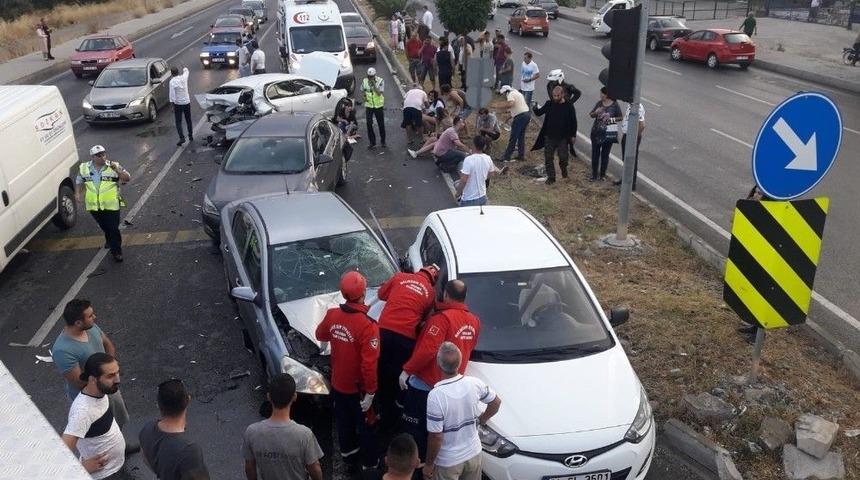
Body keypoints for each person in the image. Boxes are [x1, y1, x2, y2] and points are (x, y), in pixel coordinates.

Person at [399, 280, 481, 463]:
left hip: (426, 386)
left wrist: (407, 370)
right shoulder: (474, 321)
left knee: (416, 429)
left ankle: (417, 464)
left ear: (445, 294)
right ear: (465, 297)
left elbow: (427, 350)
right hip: (452, 385)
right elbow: (470, 347)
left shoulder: (441, 320)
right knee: (440, 431)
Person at [315, 272, 380, 473]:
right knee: (366, 426)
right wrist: (371, 392)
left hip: (338, 383)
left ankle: (349, 459)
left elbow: (320, 333)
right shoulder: (368, 326)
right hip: (358, 388)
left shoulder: (333, 314)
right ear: (363, 293)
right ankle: (369, 465)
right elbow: (368, 365)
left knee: (344, 423)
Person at [375, 265, 440, 433]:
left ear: (419, 270)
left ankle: (379, 406)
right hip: (407, 338)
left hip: (384, 331)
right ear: (433, 280)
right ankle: (394, 411)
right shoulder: (430, 293)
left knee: (380, 370)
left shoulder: (399, 277)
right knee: (398, 377)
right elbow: (425, 316)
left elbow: (381, 294)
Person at [423, 343, 501, 480]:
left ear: (438, 363)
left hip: (448, 461)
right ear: (460, 362)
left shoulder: (436, 396)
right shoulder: (475, 383)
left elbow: (436, 437)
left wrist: (428, 465)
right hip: (474, 453)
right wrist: (482, 419)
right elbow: (496, 402)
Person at [52, 299, 131, 429]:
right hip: (91, 399)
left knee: (117, 421)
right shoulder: (62, 350)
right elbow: (79, 382)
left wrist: (110, 371)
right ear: (78, 323)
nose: (94, 317)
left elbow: (107, 344)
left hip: (108, 387)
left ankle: (121, 446)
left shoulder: (91, 327)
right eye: (90, 316)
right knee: (103, 431)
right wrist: (107, 379)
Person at [242, 374, 324, 480]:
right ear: (294, 397)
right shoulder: (304, 434)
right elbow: (315, 468)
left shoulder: (251, 432)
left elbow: (249, 467)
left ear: (268, 397)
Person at [62, 353, 126, 480]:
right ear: (93, 379)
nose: (118, 379)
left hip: (116, 464)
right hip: (106, 475)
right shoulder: (82, 412)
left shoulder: (101, 391)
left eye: (117, 373)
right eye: (111, 376)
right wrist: (81, 467)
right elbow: (61, 449)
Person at [139, 379, 210, 480]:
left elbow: (144, 457)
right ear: (188, 400)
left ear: (158, 405)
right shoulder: (189, 450)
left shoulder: (146, 429)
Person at [76, 145, 131, 262]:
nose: (102, 157)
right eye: (99, 155)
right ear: (92, 157)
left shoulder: (113, 165)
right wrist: (77, 193)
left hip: (111, 204)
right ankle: (109, 239)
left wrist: (116, 170)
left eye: (103, 154)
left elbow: (127, 178)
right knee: (104, 226)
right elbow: (79, 180)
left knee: (113, 228)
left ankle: (117, 252)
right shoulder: (84, 167)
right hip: (94, 205)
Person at [532, 86, 577, 185]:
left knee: (563, 157)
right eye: (554, 96)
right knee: (548, 157)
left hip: (563, 138)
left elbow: (573, 121)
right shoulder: (550, 104)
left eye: (558, 96)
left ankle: (564, 171)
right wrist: (534, 107)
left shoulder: (569, 106)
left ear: (562, 95)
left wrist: (573, 135)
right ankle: (551, 177)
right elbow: (539, 112)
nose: (556, 98)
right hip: (549, 136)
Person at [456, 135, 503, 206]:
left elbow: (464, 180)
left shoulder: (469, 159)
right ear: (484, 147)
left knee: (456, 183)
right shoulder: (488, 158)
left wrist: (457, 193)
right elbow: (491, 174)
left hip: (469, 199)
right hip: (482, 197)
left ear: (473, 145)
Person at [588, 87, 622, 181]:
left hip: (608, 133)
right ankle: (594, 174)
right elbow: (591, 114)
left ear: (606, 95)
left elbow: (620, 117)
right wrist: (596, 112)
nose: (600, 95)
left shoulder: (615, 105)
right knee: (595, 154)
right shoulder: (599, 103)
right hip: (596, 132)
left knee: (605, 154)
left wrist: (611, 119)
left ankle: (602, 174)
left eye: (601, 94)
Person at [613, 102, 646, 191]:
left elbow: (642, 125)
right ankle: (624, 179)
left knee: (631, 161)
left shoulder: (637, 107)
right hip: (626, 135)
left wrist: (634, 137)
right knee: (625, 159)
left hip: (632, 137)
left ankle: (630, 185)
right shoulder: (630, 105)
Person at [498, 85, 530, 163]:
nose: (504, 96)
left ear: (506, 91)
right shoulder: (518, 93)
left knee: (513, 137)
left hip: (520, 117)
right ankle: (521, 155)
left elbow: (511, 104)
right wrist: (506, 120)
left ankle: (506, 157)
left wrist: (501, 107)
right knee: (521, 137)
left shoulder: (511, 94)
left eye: (504, 93)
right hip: (527, 115)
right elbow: (515, 111)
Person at [361, 68, 386, 149]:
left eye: (371, 76)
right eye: (368, 76)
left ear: (375, 75)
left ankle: (383, 141)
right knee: (369, 123)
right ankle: (372, 142)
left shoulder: (380, 81)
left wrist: (374, 84)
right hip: (369, 105)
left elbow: (379, 93)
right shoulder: (364, 81)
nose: (369, 78)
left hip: (378, 106)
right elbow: (363, 90)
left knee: (381, 124)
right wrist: (364, 97)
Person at [169, 66, 193, 147]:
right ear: (178, 72)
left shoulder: (172, 82)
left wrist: (172, 105)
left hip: (178, 104)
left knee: (178, 122)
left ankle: (182, 137)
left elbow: (172, 95)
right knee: (188, 120)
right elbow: (187, 71)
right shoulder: (184, 77)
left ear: (171, 73)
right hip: (187, 102)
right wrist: (184, 67)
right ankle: (190, 135)